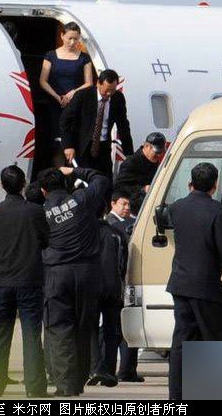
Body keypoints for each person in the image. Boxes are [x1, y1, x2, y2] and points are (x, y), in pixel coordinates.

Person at [167, 162, 222, 400]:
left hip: (180, 285)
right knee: (214, 343)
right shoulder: (218, 211)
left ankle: (177, 397)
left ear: (190, 183)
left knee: (182, 343)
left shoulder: (176, 208)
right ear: (215, 185)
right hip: (206, 288)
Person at [40, 166, 108, 397]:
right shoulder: (81, 199)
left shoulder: (42, 211)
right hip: (88, 273)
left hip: (57, 274)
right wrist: (76, 171)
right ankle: (78, 382)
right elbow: (101, 178)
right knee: (83, 326)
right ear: (65, 184)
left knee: (59, 329)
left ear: (43, 191)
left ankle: (66, 385)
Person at [0, 166, 49, 398]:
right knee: (31, 336)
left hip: (0, 280)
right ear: (23, 184)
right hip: (29, 280)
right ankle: (35, 387)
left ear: (2, 186)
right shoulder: (35, 211)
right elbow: (45, 240)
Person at [60, 69, 134, 184]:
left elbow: (123, 125)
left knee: (105, 182)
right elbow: (65, 120)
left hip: (103, 147)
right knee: (81, 183)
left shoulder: (118, 98)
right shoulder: (83, 96)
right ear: (98, 84)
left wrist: (129, 153)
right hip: (82, 147)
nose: (109, 94)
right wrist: (68, 145)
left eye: (113, 90)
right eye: (106, 90)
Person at [88, 202, 127, 387]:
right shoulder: (116, 233)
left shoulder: (86, 233)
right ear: (105, 211)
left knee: (91, 328)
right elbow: (123, 263)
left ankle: (95, 368)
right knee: (112, 330)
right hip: (113, 287)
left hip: (92, 287)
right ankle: (110, 371)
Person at [39, 22, 93, 155]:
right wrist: (57, 96)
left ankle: (71, 165)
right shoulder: (51, 55)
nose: (73, 42)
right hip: (54, 102)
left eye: (76, 39)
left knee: (73, 138)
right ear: (62, 35)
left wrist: (73, 93)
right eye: (70, 38)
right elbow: (43, 81)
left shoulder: (84, 58)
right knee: (56, 139)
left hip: (75, 104)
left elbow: (89, 83)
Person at [116, 189, 146, 383]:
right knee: (128, 326)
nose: (126, 208)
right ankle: (126, 369)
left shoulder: (120, 226)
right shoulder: (132, 227)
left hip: (121, 282)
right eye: (123, 204)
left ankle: (123, 369)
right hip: (129, 283)